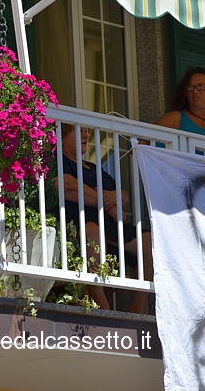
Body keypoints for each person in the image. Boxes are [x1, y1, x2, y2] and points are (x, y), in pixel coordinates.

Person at [53, 123, 153, 313]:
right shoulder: (57, 162)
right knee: (92, 231)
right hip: (78, 227)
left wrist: (103, 197)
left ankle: (138, 308)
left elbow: (123, 198)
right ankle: (101, 303)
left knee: (148, 241)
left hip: (110, 227)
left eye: (86, 130)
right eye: (79, 131)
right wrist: (106, 199)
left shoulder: (92, 168)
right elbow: (67, 187)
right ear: (62, 137)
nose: (86, 134)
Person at [156, 66, 205, 140]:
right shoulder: (176, 118)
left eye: (201, 86)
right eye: (190, 87)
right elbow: (146, 140)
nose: (195, 91)